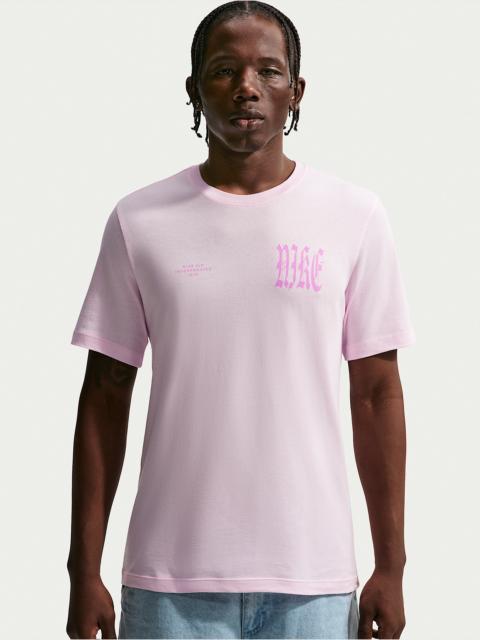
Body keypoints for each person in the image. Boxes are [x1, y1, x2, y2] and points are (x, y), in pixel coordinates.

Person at [66, 2, 415, 639]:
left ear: (296, 91)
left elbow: (376, 394)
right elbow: (105, 396)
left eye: (268, 71)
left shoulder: (354, 216)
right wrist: (81, 570)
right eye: (224, 70)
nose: (246, 87)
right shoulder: (139, 220)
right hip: (167, 583)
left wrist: (391, 566)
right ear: (195, 89)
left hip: (312, 583)